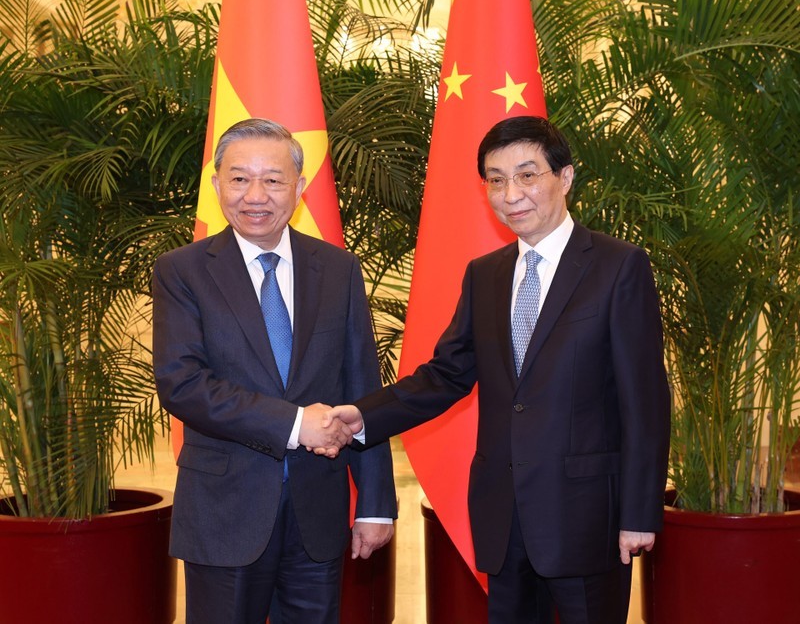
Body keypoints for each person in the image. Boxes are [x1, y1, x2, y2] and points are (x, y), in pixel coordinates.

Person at [325, 116, 670, 624]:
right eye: (496, 179)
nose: (512, 194)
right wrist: (360, 415)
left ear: (565, 177)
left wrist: (640, 514)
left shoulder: (619, 267)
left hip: (588, 517)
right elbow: (445, 375)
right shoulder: (485, 274)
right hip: (503, 515)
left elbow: (645, 401)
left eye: (528, 175)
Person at [152, 118, 397, 624]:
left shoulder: (337, 269)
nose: (254, 195)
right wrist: (294, 425)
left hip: (318, 512)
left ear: (300, 187)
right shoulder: (183, 271)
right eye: (239, 178)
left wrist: (375, 503)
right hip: (225, 511)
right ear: (217, 184)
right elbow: (183, 383)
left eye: (273, 179)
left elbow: (361, 385)